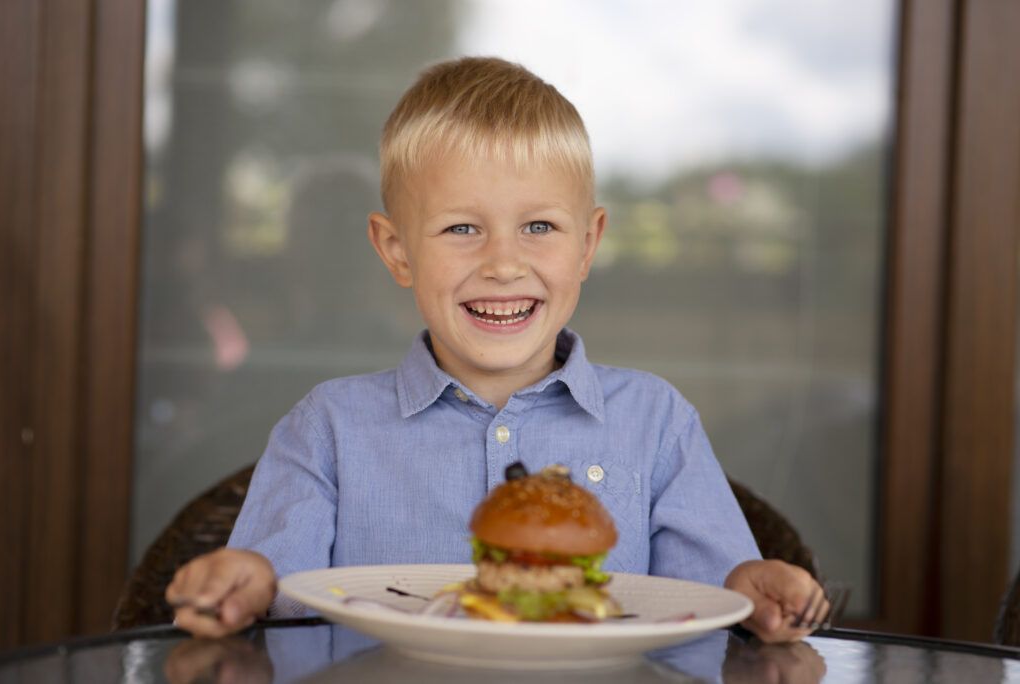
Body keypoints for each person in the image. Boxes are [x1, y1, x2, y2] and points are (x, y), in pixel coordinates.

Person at [167, 56, 824, 642]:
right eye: (461, 228)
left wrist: (756, 590)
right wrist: (240, 585)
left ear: (588, 244)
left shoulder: (656, 421)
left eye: (539, 225)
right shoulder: (327, 430)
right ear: (397, 251)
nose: (504, 264)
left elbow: (715, 600)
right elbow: (272, 592)